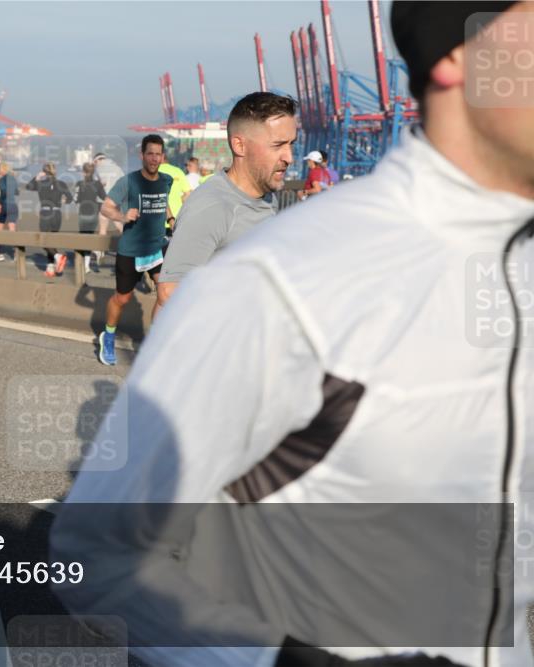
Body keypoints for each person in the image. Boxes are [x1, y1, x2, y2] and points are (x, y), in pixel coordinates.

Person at [51, 3, 533, 667]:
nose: (286, 156)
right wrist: (274, 659)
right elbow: (99, 550)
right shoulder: (283, 281)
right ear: (455, 54)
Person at [156, 92, 297, 312]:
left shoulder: (268, 197)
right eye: (277, 145)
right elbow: (170, 291)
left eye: (291, 144)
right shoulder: (213, 206)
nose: (289, 157)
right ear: (239, 146)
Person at [95, 134, 173, 365]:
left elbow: (163, 201)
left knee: (166, 294)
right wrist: (122, 215)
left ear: (163, 157)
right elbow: (106, 208)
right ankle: (108, 335)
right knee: (122, 298)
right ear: (142, 155)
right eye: (150, 153)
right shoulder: (128, 182)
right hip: (131, 251)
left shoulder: (166, 180)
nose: (154, 158)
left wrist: (171, 218)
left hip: (157, 248)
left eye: (158, 154)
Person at [26, 162, 73, 277]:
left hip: (46, 213)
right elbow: (70, 199)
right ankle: (50, 268)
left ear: (44, 172)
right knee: (51, 242)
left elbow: (28, 186)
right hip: (57, 213)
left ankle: (58, 257)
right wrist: (64, 201)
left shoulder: (41, 183)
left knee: (43, 240)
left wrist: (37, 177)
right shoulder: (62, 183)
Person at [93, 152, 126, 265]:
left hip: (104, 201)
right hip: (116, 200)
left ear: (97, 161)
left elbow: (97, 185)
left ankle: (100, 251)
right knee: (119, 225)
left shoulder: (98, 168)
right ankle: (127, 246)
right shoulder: (116, 167)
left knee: (103, 228)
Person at [74, 162, 108, 272]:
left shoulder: (80, 184)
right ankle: (89, 261)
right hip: (93, 213)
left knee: (84, 238)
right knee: (90, 236)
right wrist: (101, 186)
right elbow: (104, 197)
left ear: (83, 172)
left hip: (83, 213)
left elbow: (76, 199)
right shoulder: (97, 184)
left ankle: (88, 263)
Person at [0, 162, 19, 262]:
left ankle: (0, 253)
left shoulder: (2, 180)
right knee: (12, 229)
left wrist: (0, 204)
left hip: (5, 205)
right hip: (13, 205)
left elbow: (3, 192)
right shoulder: (13, 178)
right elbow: (17, 192)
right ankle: (16, 253)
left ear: (3, 169)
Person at [158, 158, 189, 237]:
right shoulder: (177, 171)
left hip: (157, 219)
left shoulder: (153, 171)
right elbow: (188, 194)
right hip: (176, 219)